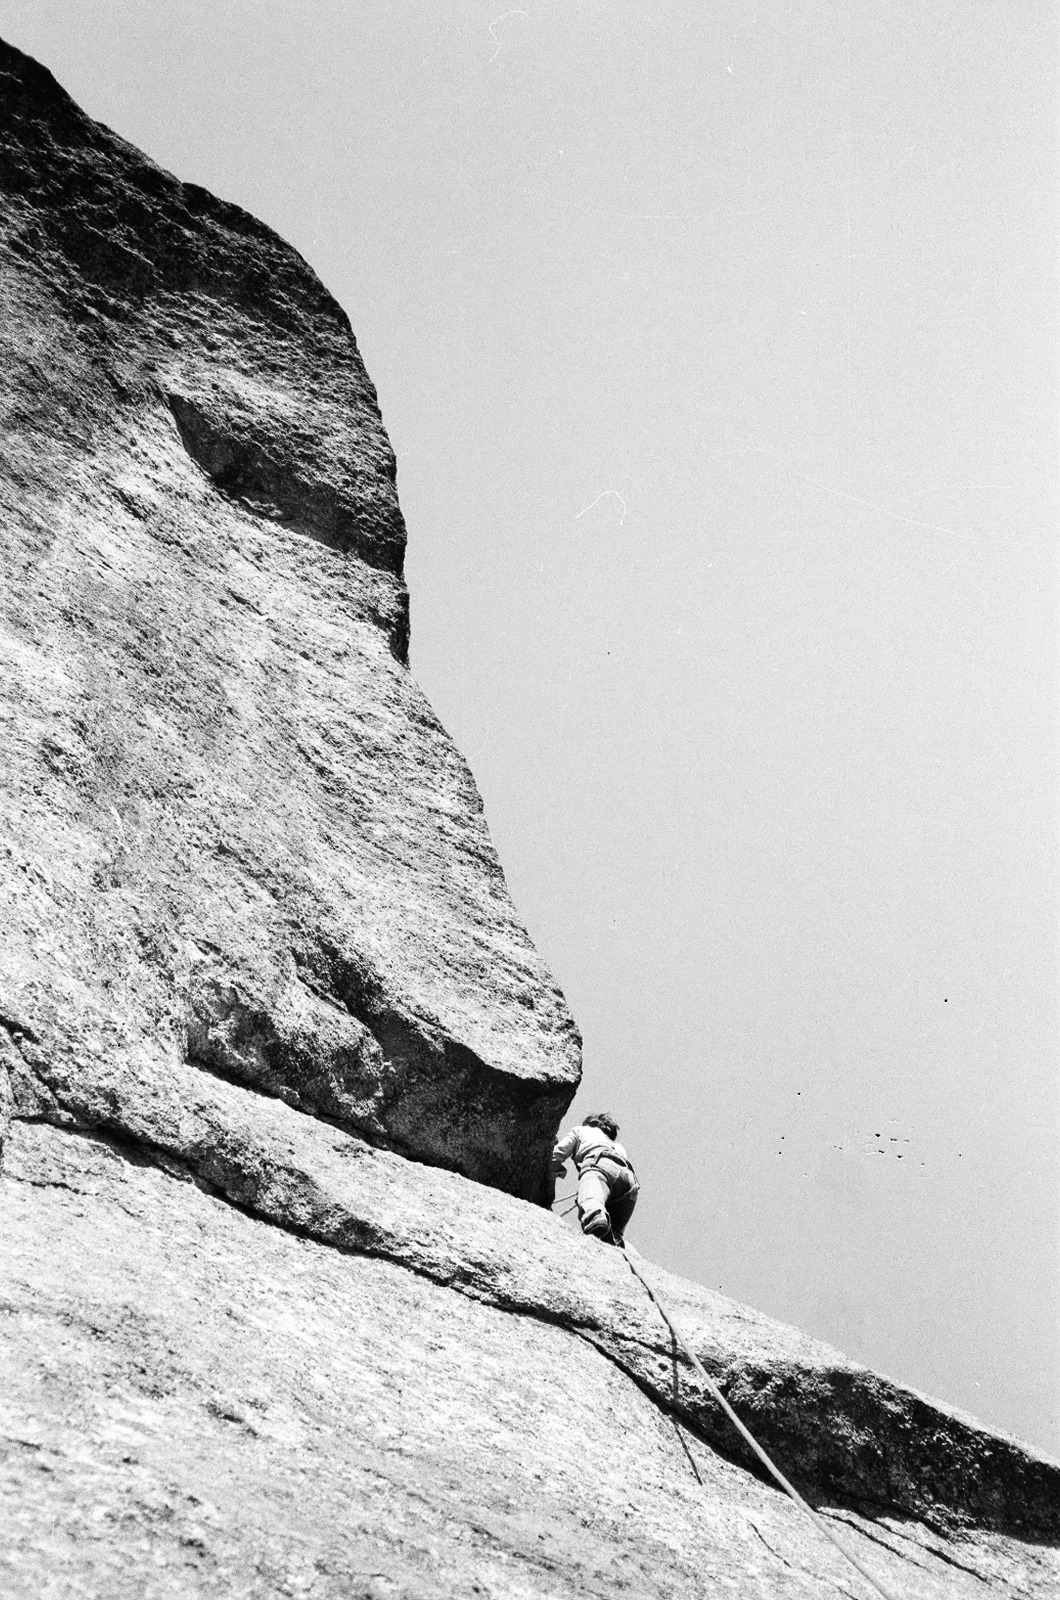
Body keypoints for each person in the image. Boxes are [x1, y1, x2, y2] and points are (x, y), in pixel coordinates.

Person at [551, 1112, 638, 1246]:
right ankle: (626, 1252)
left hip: (600, 1166)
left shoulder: (581, 1130)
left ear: (590, 1123)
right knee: (615, 1236)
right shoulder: (618, 1147)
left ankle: (595, 1215)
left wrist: (548, 1190)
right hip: (630, 1184)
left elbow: (556, 1156)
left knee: (594, 1209)